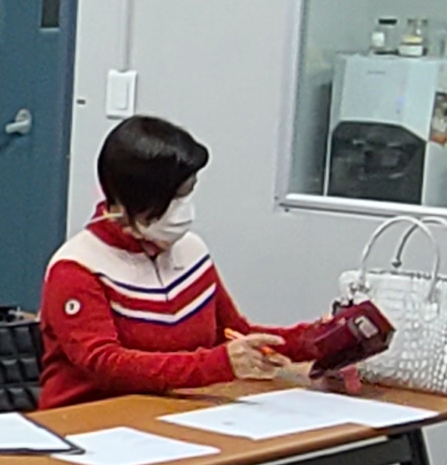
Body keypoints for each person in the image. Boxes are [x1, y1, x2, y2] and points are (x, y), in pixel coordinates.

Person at [39, 113, 300, 407]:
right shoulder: (77, 268)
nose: (183, 209)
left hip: (172, 411)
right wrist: (218, 364)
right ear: (133, 201)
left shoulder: (192, 251)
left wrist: (320, 340)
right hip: (90, 418)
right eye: (173, 198)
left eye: (188, 193)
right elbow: (106, 364)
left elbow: (233, 334)